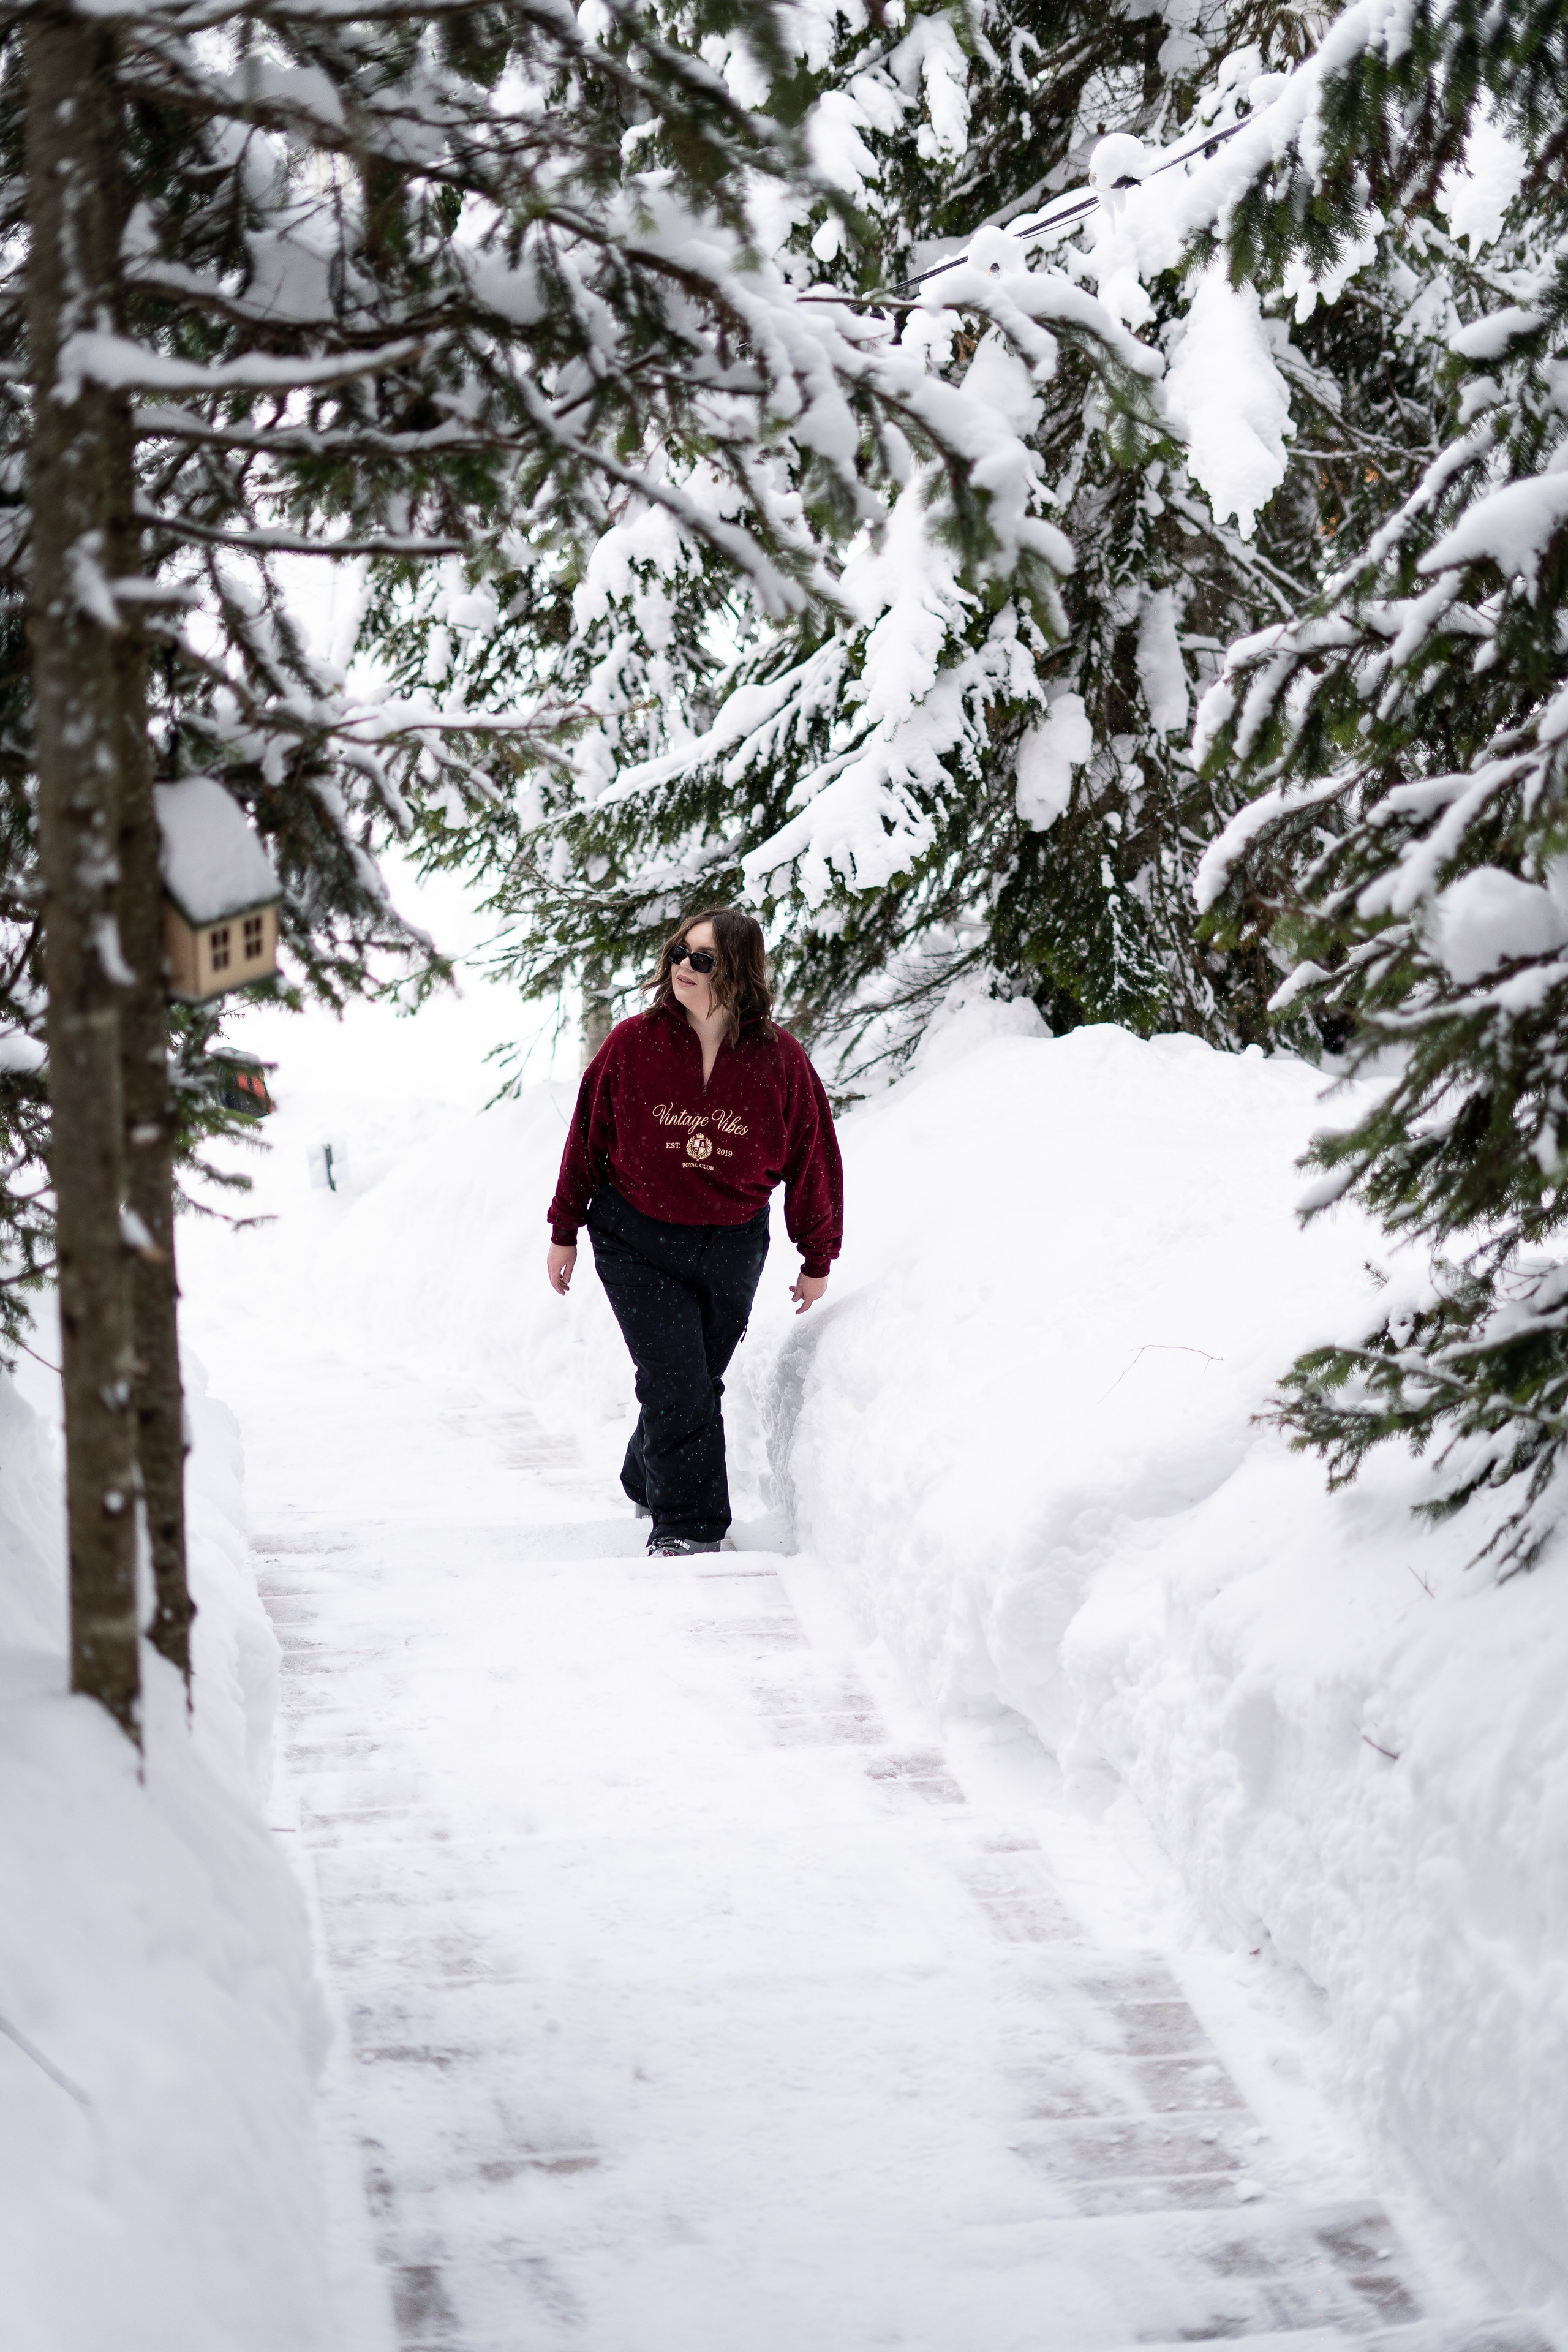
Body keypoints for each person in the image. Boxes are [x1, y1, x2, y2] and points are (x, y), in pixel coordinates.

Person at [546, 908, 843, 1558]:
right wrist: (565, 1226)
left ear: (736, 971)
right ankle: (689, 1528)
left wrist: (817, 1255)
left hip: (733, 1244)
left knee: (691, 1380)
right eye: (680, 951)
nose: (683, 965)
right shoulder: (633, 1043)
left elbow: (813, 1155)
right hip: (634, 1238)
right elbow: (586, 1134)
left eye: (702, 959)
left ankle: (645, 1476)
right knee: (679, 1383)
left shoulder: (780, 1059)